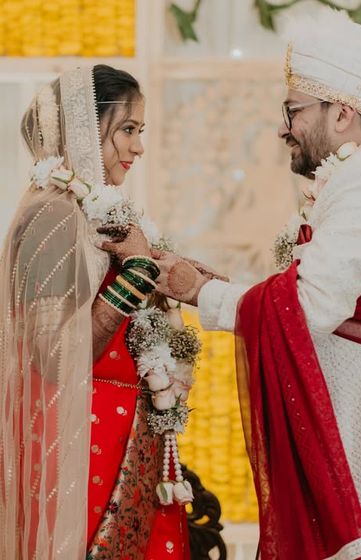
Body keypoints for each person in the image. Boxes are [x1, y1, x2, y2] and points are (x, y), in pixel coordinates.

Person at [152, 9, 361, 560]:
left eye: (293, 110)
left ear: (342, 113)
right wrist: (218, 283)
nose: (281, 127)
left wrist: (200, 293)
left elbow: (313, 304)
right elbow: (313, 288)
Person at [0, 65, 192, 559]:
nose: (137, 147)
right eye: (127, 130)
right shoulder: (53, 213)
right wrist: (136, 274)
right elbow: (54, 355)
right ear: (83, 129)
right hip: (81, 438)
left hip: (120, 429)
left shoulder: (100, 214)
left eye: (139, 132)